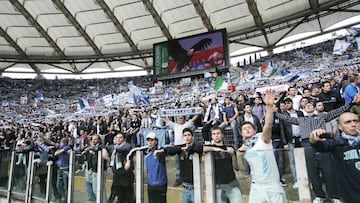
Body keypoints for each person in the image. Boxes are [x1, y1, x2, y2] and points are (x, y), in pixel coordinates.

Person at [237, 89, 286, 203]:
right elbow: (242, 169)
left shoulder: (262, 139)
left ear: (255, 130)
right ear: (242, 134)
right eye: (244, 129)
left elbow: (268, 125)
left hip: (272, 186)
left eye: (249, 127)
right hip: (256, 187)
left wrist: (269, 107)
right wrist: (239, 155)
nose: (247, 129)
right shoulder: (244, 147)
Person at [310, 112, 360, 203]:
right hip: (350, 194)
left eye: (356, 121)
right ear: (340, 127)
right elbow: (321, 146)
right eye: (348, 122)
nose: (353, 124)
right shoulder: (338, 143)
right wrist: (314, 139)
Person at [154, 128, 203, 203]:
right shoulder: (180, 148)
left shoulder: (197, 146)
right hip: (185, 187)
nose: (187, 137)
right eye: (185, 135)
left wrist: (187, 148)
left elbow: (198, 148)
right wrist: (161, 150)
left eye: (189, 135)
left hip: (196, 186)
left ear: (192, 137)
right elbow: (171, 149)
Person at [203, 127, 243, 203]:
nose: (216, 135)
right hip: (218, 186)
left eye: (218, 133)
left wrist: (233, 155)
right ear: (211, 136)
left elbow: (236, 168)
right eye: (214, 134)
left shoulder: (229, 148)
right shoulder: (209, 149)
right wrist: (215, 149)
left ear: (222, 135)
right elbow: (199, 148)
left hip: (232, 184)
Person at [125, 132, 167, 203]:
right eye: (148, 140)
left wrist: (160, 151)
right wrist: (128, 160)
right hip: (150, 183)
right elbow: (132, 151)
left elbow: (172, 149)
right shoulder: (146, 150)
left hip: (161, 184)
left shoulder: (161, 149)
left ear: (156, 141)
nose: (150, 142)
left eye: (152, 140)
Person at [162, 114, 198, 186]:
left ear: (184, 119)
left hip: (185, 146)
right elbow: (165, 120)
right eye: (179, 118)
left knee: (187, 163)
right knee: (177, 163)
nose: (179, 119)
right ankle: (179, 178)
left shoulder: (187, 124)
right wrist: (163, 113)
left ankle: (190, 178)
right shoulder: (175, 125)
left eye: (181, 118)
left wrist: (196, 112)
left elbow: (194, 118)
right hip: (177, 147)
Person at [103, 132, 134, 203]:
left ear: (124, 139)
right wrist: (104, 150)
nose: (118, 139)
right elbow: (103, 146)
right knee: (116, 193)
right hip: (117, 174)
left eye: (120, 138)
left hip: (126, 175)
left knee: (128, 195)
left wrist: (116, 150)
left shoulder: (127, 146)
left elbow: (126, 148)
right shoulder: (114, 147)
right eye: (117, 138)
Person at [54, 138, 72, 203]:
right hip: (60, 169)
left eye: (61, 142)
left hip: (66, 169)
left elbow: (67, 151)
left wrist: (62, 150)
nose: (60, 143)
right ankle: (63, 196)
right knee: (58, 185)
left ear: (64, 143)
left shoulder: (68, 147)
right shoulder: (61, 148)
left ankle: (67, 200)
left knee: (66, 186)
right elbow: (55, 153)